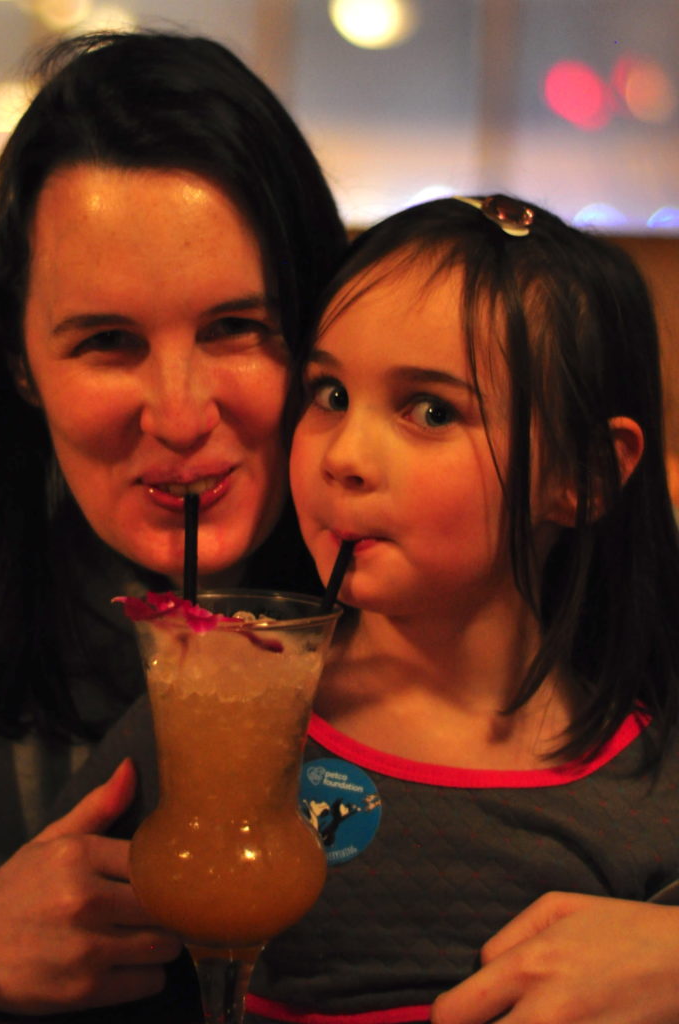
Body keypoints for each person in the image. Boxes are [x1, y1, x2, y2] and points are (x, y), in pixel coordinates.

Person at [59, 194, 679, 1023]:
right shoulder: (217, 701)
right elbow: (65, 940)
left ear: (584, 475)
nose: (345, 456)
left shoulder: (644, 793)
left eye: (431, 410)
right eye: (329, 395)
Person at [0, 29, 346, 1023]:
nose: (182, 412)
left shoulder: (446, 600)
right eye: (107, 342)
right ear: (20, 366)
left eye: (235, 327)